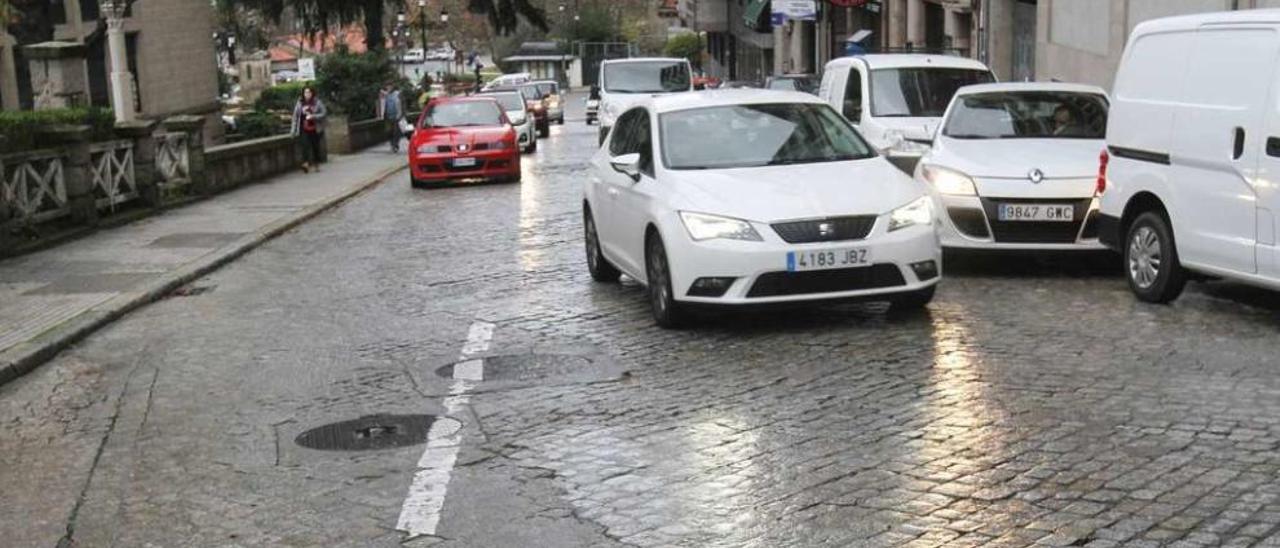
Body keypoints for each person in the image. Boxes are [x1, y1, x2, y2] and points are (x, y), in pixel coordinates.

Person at [291, 86, 327, 173]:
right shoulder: (300, 103)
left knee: (315, 146)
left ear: (312, 93)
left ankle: (316, 163)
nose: (307, 94)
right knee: (304, 145)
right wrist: (293, 130)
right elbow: (295, 116)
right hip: (303, 127)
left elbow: (324, 112)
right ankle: (305, 163)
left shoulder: (317, 102)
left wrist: (313, 116)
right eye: (305, 93)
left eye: (309, 92)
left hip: (314, 128)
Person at [377, 82, 404, 153]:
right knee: (389, 132)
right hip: (388, 116)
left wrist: (400, 114)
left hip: (396, 116)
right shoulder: (385, 95)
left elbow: (400, 104)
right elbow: (380, 102)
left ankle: (395, 145)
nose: (389, 88)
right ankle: (392, 145)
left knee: (396, 132)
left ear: (393, 87)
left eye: (390, 86)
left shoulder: (397, 94)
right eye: (387, 87)